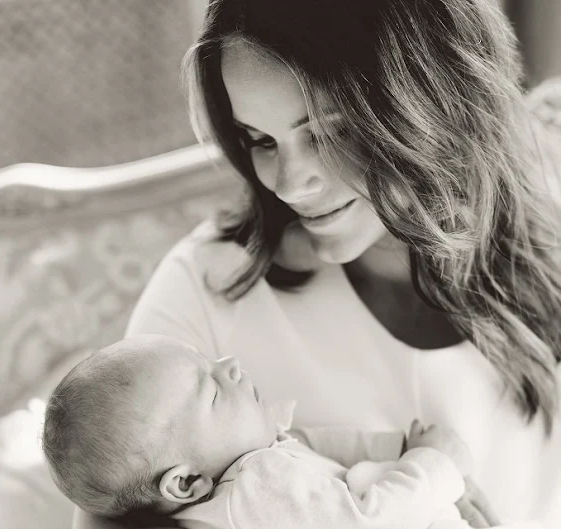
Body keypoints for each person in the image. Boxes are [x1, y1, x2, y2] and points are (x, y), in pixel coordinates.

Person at [73, 1, 561, 528]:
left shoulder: (545, 249)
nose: (287, 183)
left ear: (434, 101)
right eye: (261, 140)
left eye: (331, 132)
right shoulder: (205, 287)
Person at [47, 334, 481, 528]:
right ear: (187, 481)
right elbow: (373, 521)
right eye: (212, 390)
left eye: (208, 360)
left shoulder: (245, 473)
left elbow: (315, 446)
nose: (230, 364)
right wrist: (433, 462)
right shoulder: (255, 491)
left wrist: (397, 446)